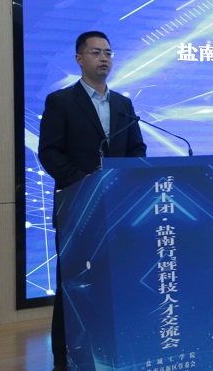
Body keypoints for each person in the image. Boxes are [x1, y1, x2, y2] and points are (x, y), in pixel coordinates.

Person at [38, 31, 147, 370]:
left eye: (109, 53)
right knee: (73, 285)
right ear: (79, 59)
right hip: (77, 208)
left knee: (115, 282)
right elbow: (49, 152)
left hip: (117, 209)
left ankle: (112, 352)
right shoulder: (61, 101)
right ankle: (64, 358)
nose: (104, 58)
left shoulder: (123, 105)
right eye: (96, 52)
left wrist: (124, 182)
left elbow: (137, 148)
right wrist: (85, 184)